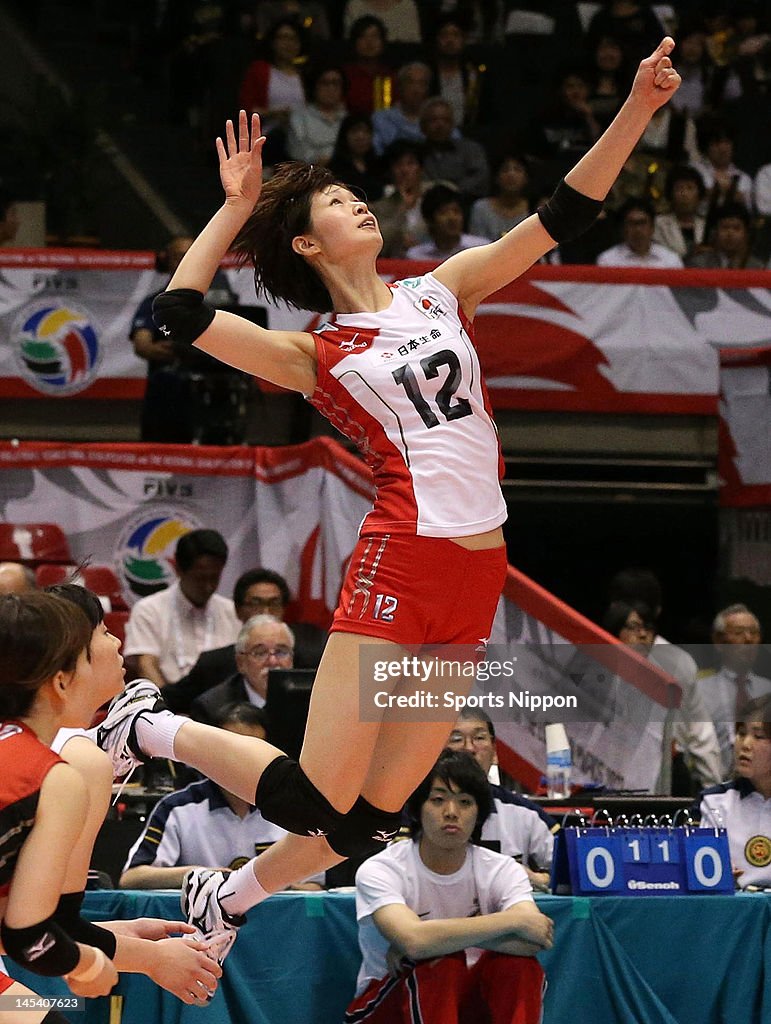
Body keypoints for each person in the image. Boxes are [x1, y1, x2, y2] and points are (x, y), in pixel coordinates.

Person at [97, 36, 683, 961]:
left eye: (349, 191)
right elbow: (178, 315)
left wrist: (638, 112)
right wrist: (234, 207)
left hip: (476, 572)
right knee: (314, 797)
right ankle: (151, 724)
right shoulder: (312, 354)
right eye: (334, 200)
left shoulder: (442, 291)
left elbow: (560, 213)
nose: (355, 200)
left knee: (370, 820)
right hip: (400, 561)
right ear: (305, 242)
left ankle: (227, 897)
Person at [0, 591, 220, 1020]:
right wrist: (92, 963)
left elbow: (24, 928)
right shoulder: (60, 772)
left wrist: (114, 939)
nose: (117, 644)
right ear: (61, 681)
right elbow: (30, 937)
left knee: (38, 1013)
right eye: (97, 637)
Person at [343, 750, 552, 1023]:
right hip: (387, 1005)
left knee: (518, 967)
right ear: (418, 808)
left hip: (468, 1003)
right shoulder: (382, 869)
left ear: (479, 815)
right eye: (438, 800)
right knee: (442, 964)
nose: (451, 812)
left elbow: (534, 938)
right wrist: (512, 922)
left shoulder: (501, 869)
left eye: (465, 802)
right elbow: (415, 942)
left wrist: (431, 938)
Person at [120, 703, 321, 891]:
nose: (242, 759)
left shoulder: (292, 807)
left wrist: (271, 886)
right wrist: (201, 876)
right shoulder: (178, 807)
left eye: (252, 749)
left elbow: (318, 886)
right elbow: (131, 878)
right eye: (231, 749)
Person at [605, 571, 723, 794]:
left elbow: (701, 733)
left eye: (644, 627)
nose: (640, 635)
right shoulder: (591, 658)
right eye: (631, 626)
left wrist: (715, 800)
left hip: (664, 775)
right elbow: (702, 737)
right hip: (606, 771)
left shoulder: (677, 663)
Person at [165, 567, 326, 713]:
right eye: (256, 603)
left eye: (273, 603)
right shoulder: (213, 666)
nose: (266, 612)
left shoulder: (311, 657)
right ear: (238, 610)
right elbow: (170, 700)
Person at [129, 236, 238, 443]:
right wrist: (178, 350)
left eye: (192, 256)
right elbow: (142, 345)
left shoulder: (221, 301)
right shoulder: (154, 302)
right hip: (170, 393)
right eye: (179, 257)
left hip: (217, 393)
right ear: (166, 261)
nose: (186, 262)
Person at [445, 710, 557, 891]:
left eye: (479, 738)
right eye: (456, 739)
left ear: (495, 752)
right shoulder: (413, 809)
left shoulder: (524, 814)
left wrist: (536, 877)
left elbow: (570, 870)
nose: (469, 748)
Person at [122, 529, 240, 689]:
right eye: (200, 578)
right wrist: (166, 708)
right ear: (178, 569)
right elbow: (146, 666)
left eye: (214, 577)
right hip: (171, 703)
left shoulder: (232, 612)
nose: (208, 587)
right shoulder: (149, 610)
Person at [694, 694, 771, 889]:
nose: (745, 744)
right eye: (741, 733)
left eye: (759, 736)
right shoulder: (714, 802)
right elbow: (700, 872)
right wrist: (719, 879)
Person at [695, 603, 771, 776]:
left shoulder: (768, 690)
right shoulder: (700, 691)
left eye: (754, 633)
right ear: (719, 642)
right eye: (739, 633)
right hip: (712, 783)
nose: (748, 639)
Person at [189, 615, 294, 724]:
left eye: (281, 652)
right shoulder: (211, 708)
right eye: (260, 653)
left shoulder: (306, 702)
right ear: (241, 663)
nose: (273, 661)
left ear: (292, 659)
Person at [371, 138, 434, 257]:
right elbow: (380, 245)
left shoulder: (436, 196)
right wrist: (402, 208)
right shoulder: (381, 207)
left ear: (421, 168)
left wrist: (421, 247)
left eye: (410, 163)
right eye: (398, 165)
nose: (404, 170)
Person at [419, 97, 490, 201]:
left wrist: (453, 189)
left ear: (452, 124)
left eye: (445, 120)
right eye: (433, 120)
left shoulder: (471, 149)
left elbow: (481, 179)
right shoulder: (414, 152)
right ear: (422, 126)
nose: (440, 125)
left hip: (463, 204)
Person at [405, 183, 488, 261]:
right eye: (443, 212)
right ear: (429, 220)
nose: (452, 218)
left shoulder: (481, 249)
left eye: (456, 211)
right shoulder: (415, 256)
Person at [287, 64, 348, 165]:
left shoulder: (348, 118)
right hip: (310, 173)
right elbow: (298, 153)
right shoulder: (299, 117)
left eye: (336, 83)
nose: (331, 88)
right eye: (325, 83)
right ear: (314, 86)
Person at [597, 196, 684, 266]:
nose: (638, 229)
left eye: (642, 223)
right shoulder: (607, 261)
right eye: (632, 223)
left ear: (652, 227)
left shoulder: (670, 260)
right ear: (623, 228)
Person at [371, 62, 431, 155]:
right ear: (400, 87)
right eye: (410, 83)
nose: (416, 89)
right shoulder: (381, 118)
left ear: (428, 89)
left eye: (422, 83)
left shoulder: (436, 119)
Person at [685, 201, 766, 269]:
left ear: (746, 234)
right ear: (715, 233)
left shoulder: (757, 268)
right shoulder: (698, 265)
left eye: (736, 228)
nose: (730, 233)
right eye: (725, 227)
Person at [469, 154, 531, 241]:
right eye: (505, 170)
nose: (511, 174)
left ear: (526, 178)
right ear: (496, 178)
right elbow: (476, 243)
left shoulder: (535, 208)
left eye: (517, 169)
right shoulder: (481, 208)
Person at [342, 15, 394, 117]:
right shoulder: (344, 75)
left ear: (383, 42)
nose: (369, 42)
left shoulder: (390, 76)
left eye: (375, 36)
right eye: (363, 36)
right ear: (354, 43)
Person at [653, 164, 707, 260]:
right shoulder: (659, 223)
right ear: (671, 194)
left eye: (690, 188)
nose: (684, 194)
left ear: (699, 194)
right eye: (679, 188)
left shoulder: (706, 224)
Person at [329, 113, 386, 203]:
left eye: (366, 132)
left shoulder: (379, 164)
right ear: (344, 136)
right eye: (355, 131)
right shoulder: (335, 168)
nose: (361, 137)